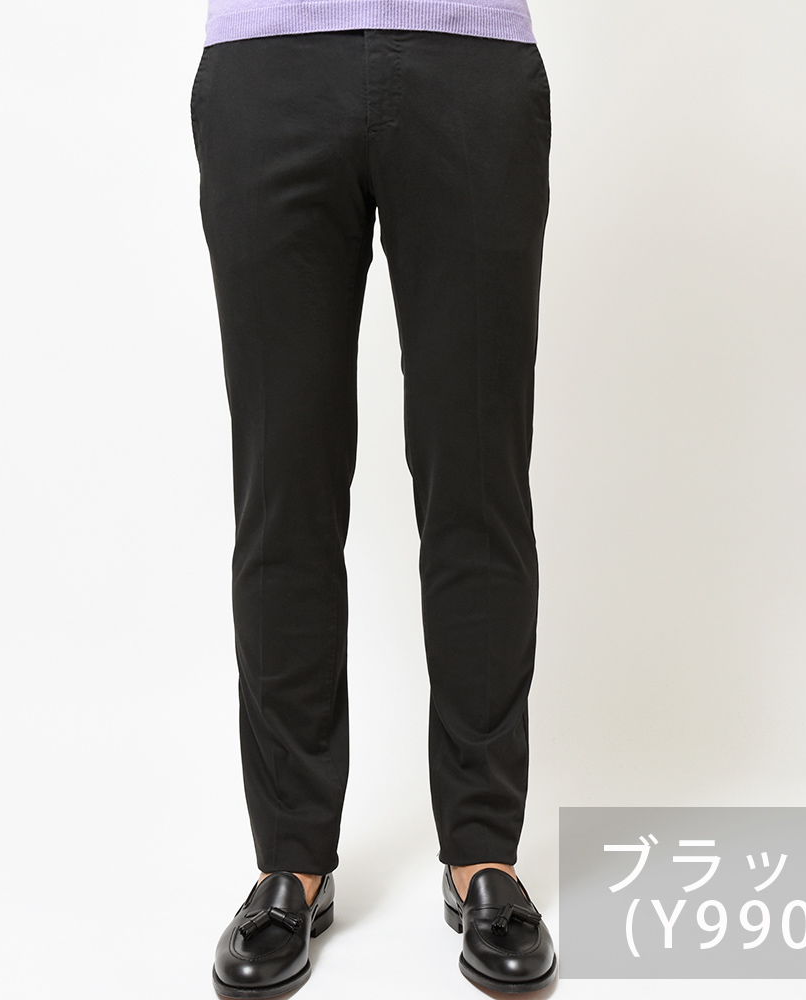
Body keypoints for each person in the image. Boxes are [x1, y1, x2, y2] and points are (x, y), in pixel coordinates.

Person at [190, 1, 556, 995]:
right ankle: (290, 862)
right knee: (284, 490)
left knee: (477, 482)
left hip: (469, 56)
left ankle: (483, 853)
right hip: (268, 61)